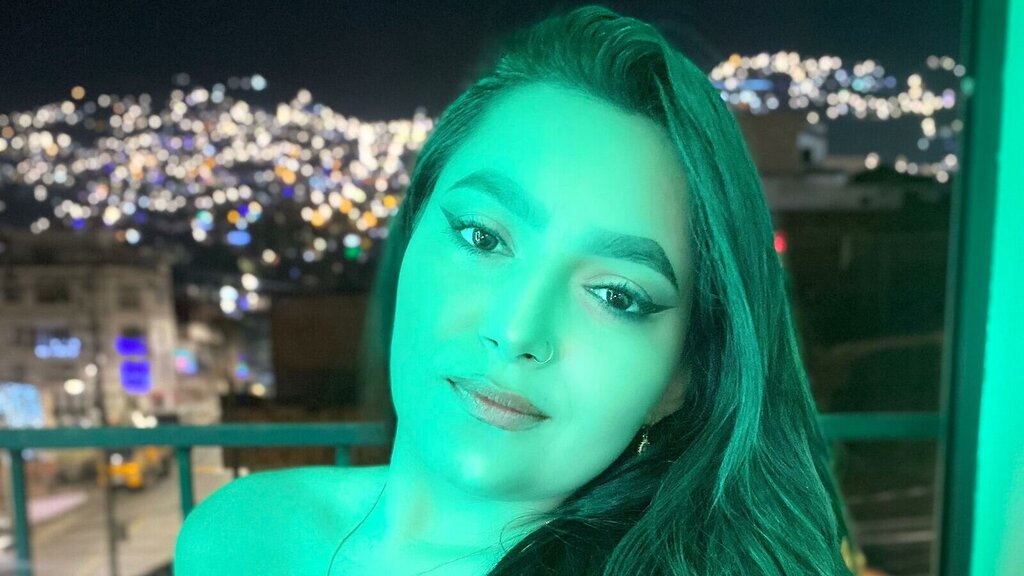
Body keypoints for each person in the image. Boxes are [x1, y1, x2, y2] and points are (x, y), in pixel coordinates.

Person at [175, 5, 855, 575]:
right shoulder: (236, 534)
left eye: (617, 296)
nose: (517, 329)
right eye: (481, 238)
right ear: (411, 236)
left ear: (682, 377)